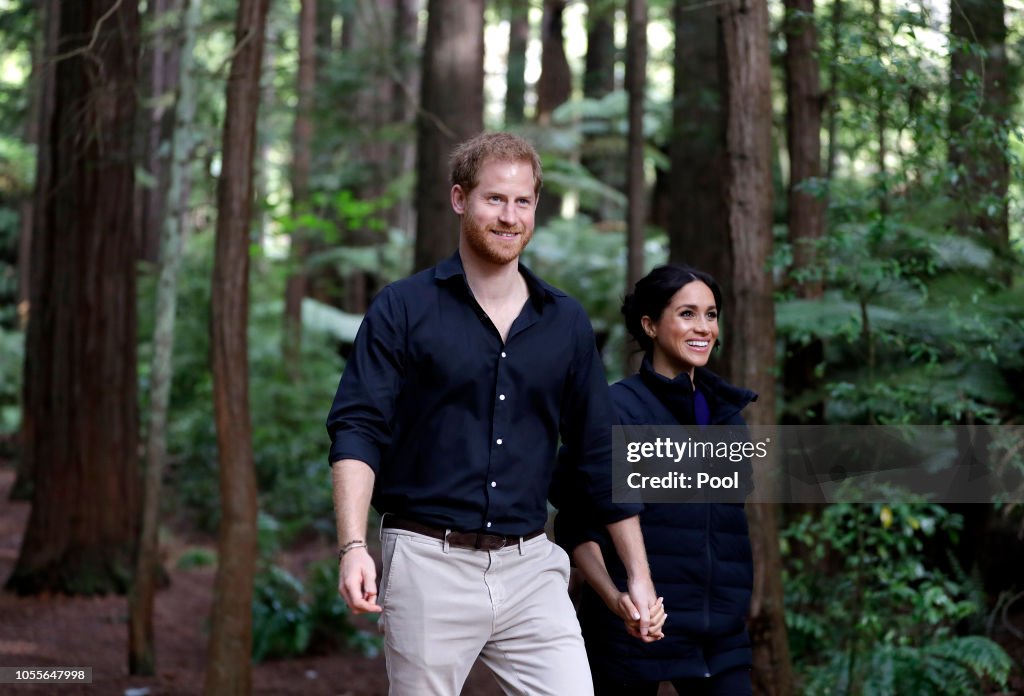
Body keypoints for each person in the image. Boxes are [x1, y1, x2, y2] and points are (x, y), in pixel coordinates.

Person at [325, 132, 660, 696]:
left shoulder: (565, 322)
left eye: (523, 201)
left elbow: (600, 454)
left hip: (532, 567)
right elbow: (358, 427)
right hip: (427, 562)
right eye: (494, 199)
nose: (510, 216)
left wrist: (640, 577)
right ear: (461, 200)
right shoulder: (403, 308)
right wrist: (354, 546)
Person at [553, 265, 756, 696]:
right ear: (650, 325)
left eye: (711, 314)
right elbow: (575, 525)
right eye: (687, 314)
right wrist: (614, 599)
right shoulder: (613, 411)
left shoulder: (729, 419)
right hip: (629, 632)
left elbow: (726, 529)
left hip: (719, 636)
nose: (703, 327)